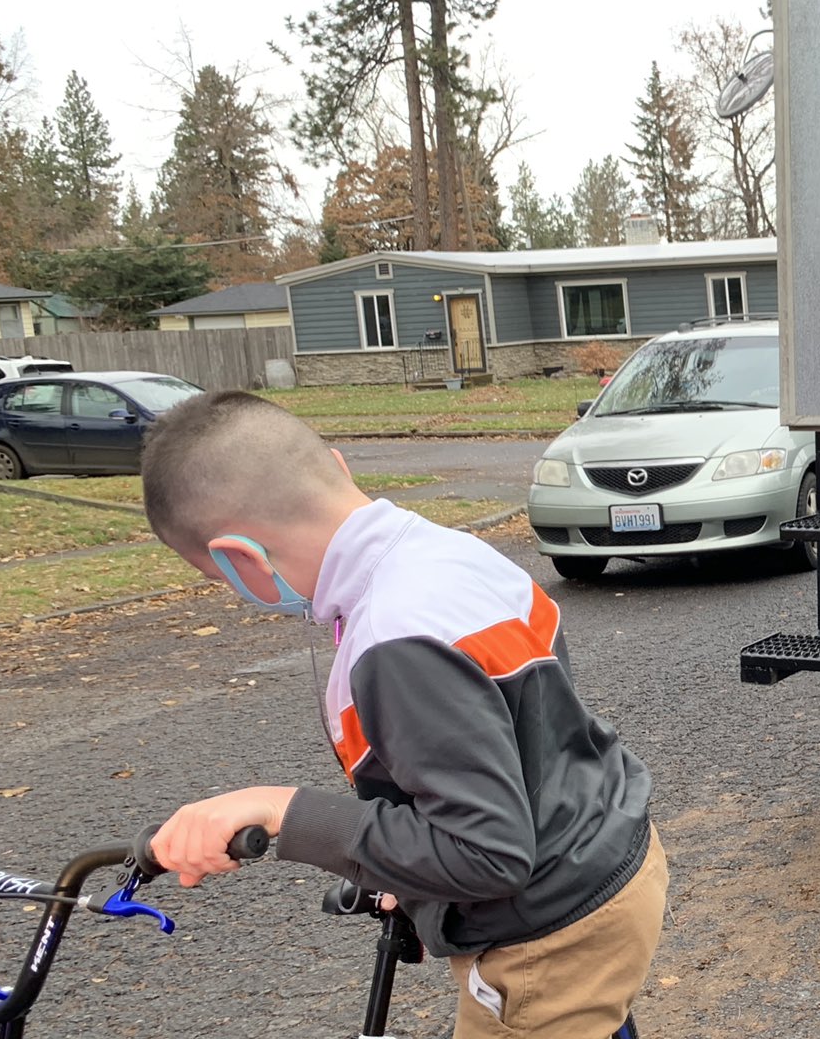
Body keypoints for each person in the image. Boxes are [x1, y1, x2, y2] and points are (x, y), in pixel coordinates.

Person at [138, 392, 664, 1039]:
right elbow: (518, 744)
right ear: (337, 466)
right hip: (605, 853)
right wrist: (408, 867)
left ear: (240, 557)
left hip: (546, 933)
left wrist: (282, 810)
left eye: (219, 577)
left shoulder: (395, 638)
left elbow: (487, 854)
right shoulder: (447, 552)